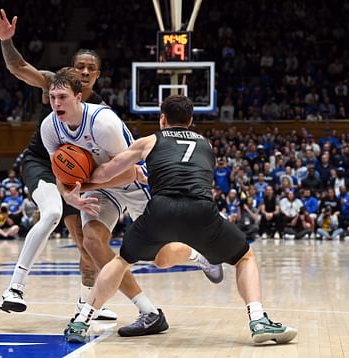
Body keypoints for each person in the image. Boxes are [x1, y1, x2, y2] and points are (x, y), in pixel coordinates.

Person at [64, 95, 297, 344]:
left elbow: (104, 173)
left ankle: (82, 321)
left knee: (121, 261)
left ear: (162, 119)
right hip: (201, 210)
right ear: (191, 120)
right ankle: (258, 320)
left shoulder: (149, 141)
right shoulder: (206, 144)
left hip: (161, 211)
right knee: (244, 257)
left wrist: (74, 186)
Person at [42, 70, 222, 336]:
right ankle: (148, 311)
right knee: (92, 242)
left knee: (161, 256)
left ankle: (198, 255)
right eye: (52, 97)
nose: (56, 103)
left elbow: (128, 172)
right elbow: (60, 171)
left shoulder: (103, 123)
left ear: (78, 97)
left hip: (134, 183)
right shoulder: (49, 127)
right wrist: (67, 194)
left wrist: (82, 187)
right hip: (101, 187)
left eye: (62, 97)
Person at [0, 9, 113, 318]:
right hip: (41, 163)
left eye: (91, 68)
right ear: (73, 68)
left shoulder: (101, 109)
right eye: (80, 66)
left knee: (87, 246)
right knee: (53, 212)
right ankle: (14, 287)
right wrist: (7, 41)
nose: (85, 71)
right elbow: (19, 67)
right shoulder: (54, 85)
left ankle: (88, 305)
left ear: (98, 75)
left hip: (74, 175)